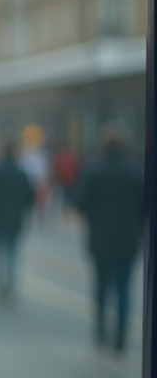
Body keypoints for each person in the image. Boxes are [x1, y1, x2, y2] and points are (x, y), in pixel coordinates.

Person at [75, 122, 144, 352]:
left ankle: (100, 332)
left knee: (101, 287)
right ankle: (121, 337)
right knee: (124, 289)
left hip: (100, 240)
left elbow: (82, 205)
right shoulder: (137, 171)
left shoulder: (93, 171)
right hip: (128, 239)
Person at [0, 142, 34, 302]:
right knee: (12, 253)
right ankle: (10, 283)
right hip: (15, 219)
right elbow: (30, 198)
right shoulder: (21, 173)